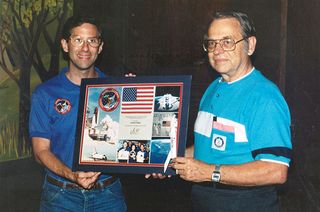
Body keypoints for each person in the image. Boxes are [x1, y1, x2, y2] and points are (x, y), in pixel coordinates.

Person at [147, 11, 292, 212]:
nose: (217, 50)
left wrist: (209, 173)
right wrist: (166, 161)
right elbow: (206, 148)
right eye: (212, 43)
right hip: (204, 200)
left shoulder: (265, 97)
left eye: (227, 42)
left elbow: (276, 170)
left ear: (250, 45)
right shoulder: (214, 87)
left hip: (246, 204)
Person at [29, 16, 126, 211]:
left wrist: (136, 91)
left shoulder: (118, 89)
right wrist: (72, 175)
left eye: (92, 41)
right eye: (78, 40)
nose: (85, 48)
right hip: (60, 195)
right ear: (65, 45)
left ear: (100, 47)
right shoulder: (45, 93)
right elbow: (40, 152)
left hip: (108, 195)